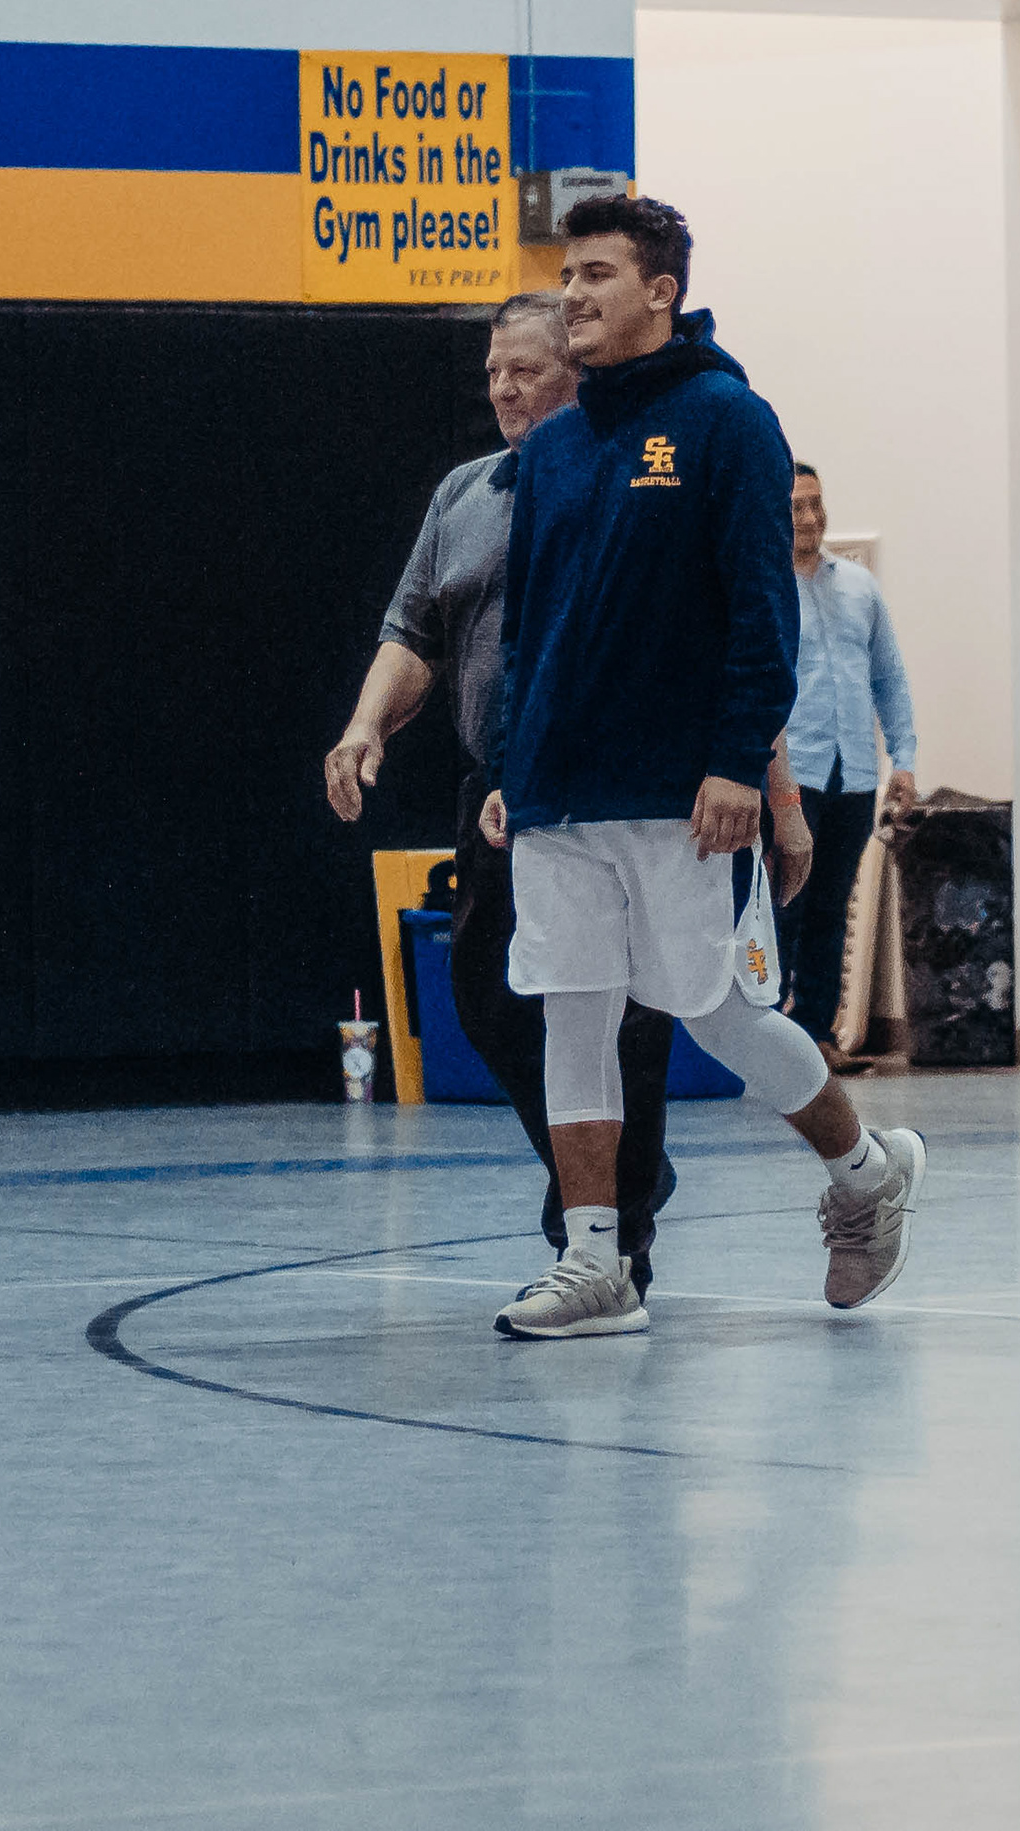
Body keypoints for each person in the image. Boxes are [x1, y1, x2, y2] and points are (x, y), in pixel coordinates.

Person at [483, 193, 927, 1340]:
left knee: (720, 1016)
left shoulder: (729, 421)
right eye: (565, 276)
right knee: (572, 1016)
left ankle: (868, 1171)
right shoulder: (556, 445)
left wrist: (740, 766)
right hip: (557, 793)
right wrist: (511, 762)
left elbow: (761, 615)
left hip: (681, 793)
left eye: (595, 275)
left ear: (662, 291)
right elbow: (527, 629)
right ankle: (596, 1261)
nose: (572, 296)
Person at [324, 296, 810, 1297]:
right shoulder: (466, 494)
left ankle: (609, 1239)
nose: (503, 389)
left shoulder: (639, 482)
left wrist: (779, 793)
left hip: (635, 790)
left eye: (526, 370)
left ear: (579, 371)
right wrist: (366, 725)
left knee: (647, 1017)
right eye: (493, 372)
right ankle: (623, 1183)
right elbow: (414, 631)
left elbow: (738, 631)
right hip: (509, 791)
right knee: (490, 999)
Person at [778, 461, 920, 1070]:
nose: (810, 517)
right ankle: (771, 1044)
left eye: (816, 503)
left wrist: (904, 761)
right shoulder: (763, 589)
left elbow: (889, 678)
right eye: (796, 506)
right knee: (783, 909)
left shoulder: (860, 588)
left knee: (831, 906)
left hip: (854, 775)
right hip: (790, 777)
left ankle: (815, 1038)